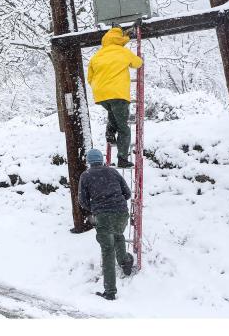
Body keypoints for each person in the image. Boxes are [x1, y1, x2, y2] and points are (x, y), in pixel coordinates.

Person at [79, 148, 134, 300]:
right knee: (118, 235)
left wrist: (96, 208)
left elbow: (82, 201)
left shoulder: (86, 175)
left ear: (89, 161)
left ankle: (110, 292)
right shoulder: (113, 172)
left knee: (108, 251)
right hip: (121, 213)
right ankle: (124, 260)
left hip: (103, 215)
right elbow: (128, 193)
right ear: (101, 160)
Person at [87, 26, 143, 168]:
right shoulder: (123, 52)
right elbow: (138, 63)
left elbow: (89, 78)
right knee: (124, 128)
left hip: (101, 94)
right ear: (120, 39)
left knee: (112, 113)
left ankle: (110, 132)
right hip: (118, 94)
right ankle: (122, 159)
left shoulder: (97, 56)